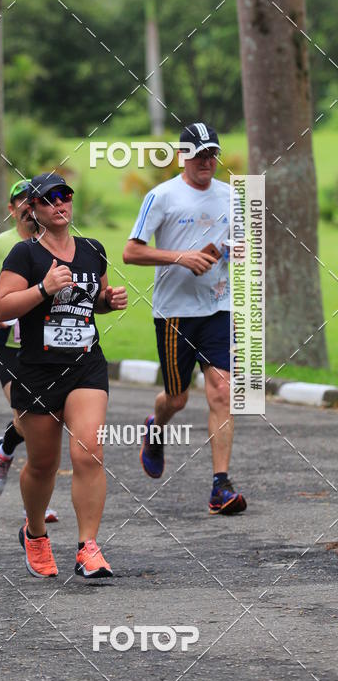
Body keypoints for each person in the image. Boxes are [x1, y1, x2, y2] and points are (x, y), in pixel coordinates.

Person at [0, 173, 127, 579]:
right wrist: (43, 288)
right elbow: (2, 309)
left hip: (86, 364)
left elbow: (93, 303)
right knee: (42, 464)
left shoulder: (92, 250)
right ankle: (35, 533)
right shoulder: (24, 255)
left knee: (89, 451)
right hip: (37, 370)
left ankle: (88, 547)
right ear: (33, 208)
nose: (60, 204)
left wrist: (107, 300)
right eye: (49, 199)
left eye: (65, 196)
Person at [123, 122, 246, 515]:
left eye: (213, 153)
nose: (207, 161)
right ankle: (155, 427)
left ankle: (220, 486)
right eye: (199, 154)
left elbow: (243, 247)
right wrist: (181, 257)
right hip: (175, 312)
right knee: (176, 398)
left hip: (218, 307)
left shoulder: (231, 196)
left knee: (223, 392)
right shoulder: (161, 197)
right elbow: (130, 252)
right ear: (183, 157)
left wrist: (232, 252)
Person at [0, 179, 58, 522]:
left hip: (46, 342)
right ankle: (37, 502)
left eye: (29, 200)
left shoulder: (53, 244)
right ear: (11, 209)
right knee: (28, 416)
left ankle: (4, 450)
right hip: (10, 345)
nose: (25, 206)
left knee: (39, 420)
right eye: (18, 200)